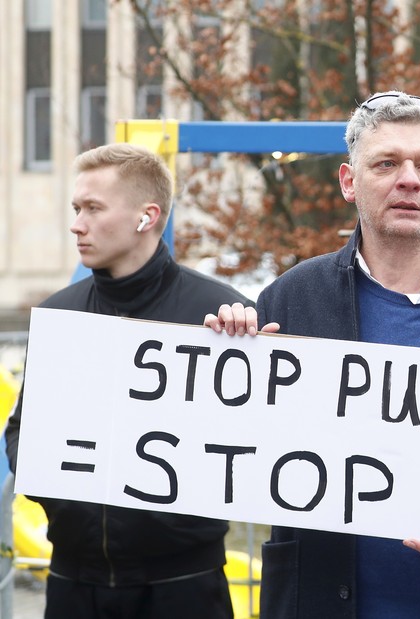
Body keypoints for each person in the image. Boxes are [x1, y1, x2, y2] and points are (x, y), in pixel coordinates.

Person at [205, 91, 420, 618]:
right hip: (320, 600)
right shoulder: (288, 300)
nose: (409, 179)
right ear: (349, 181)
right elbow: (234, 452)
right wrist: (227, 358)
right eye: (387, 163)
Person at [5, 143, 252, 619]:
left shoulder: (218, 318)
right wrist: (58, 490)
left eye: (93, 209)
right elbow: (22, 430)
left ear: (147, 216)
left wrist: (251, 344)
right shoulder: (59, 315)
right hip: (72, 584)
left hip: (184, 588)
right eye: (76, 209)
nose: (77, 224)